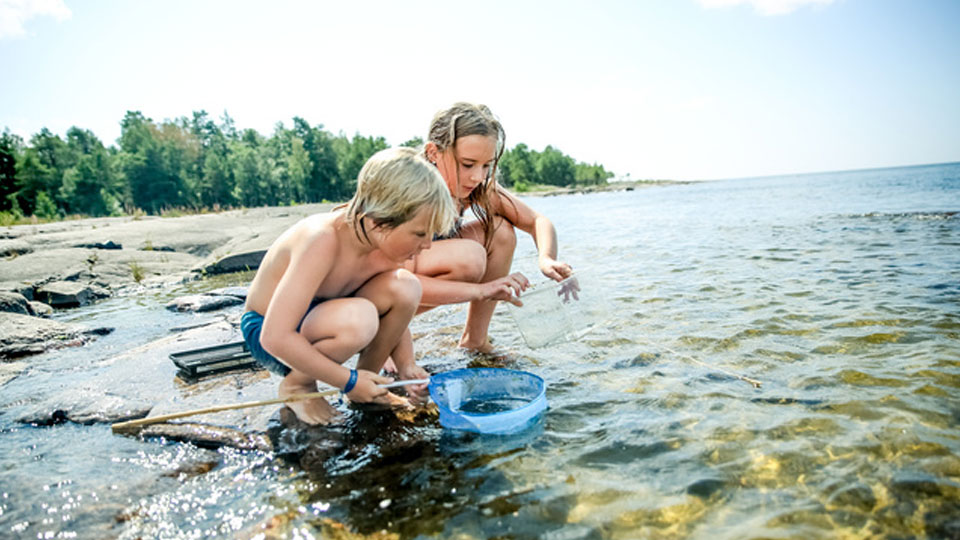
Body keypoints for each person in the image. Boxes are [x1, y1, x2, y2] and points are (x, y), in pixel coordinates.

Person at [241, 147, 457, 424]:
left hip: (323, 319)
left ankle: (370, 382)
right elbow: (275, 336)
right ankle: (298, 386)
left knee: (407, 286)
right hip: (268, 331)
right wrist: (348, 380)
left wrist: (406, 367)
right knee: (360, 319)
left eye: (431, 234)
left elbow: (398, 311)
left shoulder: (384, 247)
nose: (427, 245)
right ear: (380, 220)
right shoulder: (321, 240)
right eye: (419, 234)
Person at [406, 102, 574, 353]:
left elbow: (537, 221)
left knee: (501, 231)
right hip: (381, 289)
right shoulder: (411, 192)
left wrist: (546, 259)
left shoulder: (478, 188)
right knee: (469, 259)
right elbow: (391, 276)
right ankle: (388, 328)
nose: (478, 176)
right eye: (467, 164)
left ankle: (475, 340)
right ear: (433, 153)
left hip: (416, 273)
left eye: (486, 165)